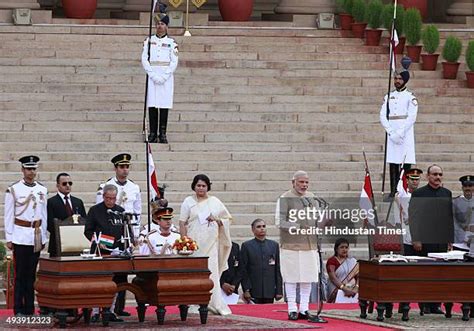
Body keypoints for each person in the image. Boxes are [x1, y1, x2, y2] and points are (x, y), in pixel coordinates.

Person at [275, 171, 326, 322]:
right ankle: (292, 309)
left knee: (307, 277)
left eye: (306, 183)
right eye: (301, 182)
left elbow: (316, 218)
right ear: (293, 182)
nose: (304, 185)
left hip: (310, 244)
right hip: (291, 244)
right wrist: (297, 226)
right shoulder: (285, 198)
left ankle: (304, 308)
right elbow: (279, 221)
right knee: (291, 277)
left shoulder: (311, 197)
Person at [179, 174, 232, 315]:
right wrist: (184, 241)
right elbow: (182, 222)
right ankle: (194, 302)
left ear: (208, 187)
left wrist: (217, 219)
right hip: (194, 244)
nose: (201, 188)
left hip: (211, 243)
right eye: (198, 185)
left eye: (203, 185)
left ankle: (214, 303)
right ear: (194, 186)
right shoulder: (188, 201)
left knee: (211, 272)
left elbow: (227, 219)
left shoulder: (215, 201)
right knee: (194, 274)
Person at [96, 153, 141, 317]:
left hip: (125, 233)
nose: (125, 170)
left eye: (127, 167)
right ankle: (104, 307)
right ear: (115, 168)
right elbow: (98, 212)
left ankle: (119, 307)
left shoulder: (134, 187)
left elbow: (137, 212)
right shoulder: (105, 186)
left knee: (123, 273)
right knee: (108, 273)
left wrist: (134, 235)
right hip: (108, 234)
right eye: (121, 167)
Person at [4, 155, 48, 316]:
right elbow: (8, 215)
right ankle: (18, 308)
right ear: (22, 170)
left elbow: (44, 215)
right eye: (28, 169)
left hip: (35, 235)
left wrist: (43, 237)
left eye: (33, 169)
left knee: (31, 274)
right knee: (20, 275)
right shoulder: (14, 189)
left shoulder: (42, 190)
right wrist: (9, 237)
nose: (31, 172)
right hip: (20, 235)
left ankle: (29, 307)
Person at [409, 164, 454, 314]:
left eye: (440, 174)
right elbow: (413, 218)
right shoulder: (419, 194)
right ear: (428, 176)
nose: (438, 177)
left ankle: (436, 304)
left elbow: (449, 217)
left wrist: (450, 239)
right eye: (434, 174)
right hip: (425, 240)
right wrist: (416, 239)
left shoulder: (446, 193)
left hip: (441, 240)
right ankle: (425, 304)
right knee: (426, 272)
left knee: (440, 273)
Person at [85, 184, 126, 322]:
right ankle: (96, 311)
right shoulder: (95, 211)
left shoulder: (120, 211)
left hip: (116, 252)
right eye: (108, 198)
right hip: (99, 251)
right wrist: (99, 241)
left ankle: (111, 310)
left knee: (116, 282)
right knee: (99, 282)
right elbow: (88, 230)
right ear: (103, 197)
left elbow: (125, 231)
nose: (111, 201)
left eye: (114, 198)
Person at [142, 10, 178, 144]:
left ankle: (162, 133)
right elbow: (144, 59)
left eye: (162, 24)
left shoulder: (172, 43)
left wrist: (164, 76)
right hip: (152, 76)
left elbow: (174, 62)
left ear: (167, 26)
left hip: (166, 77)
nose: (160, 26)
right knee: (152, 105)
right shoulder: (149, 41)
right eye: (158, 23)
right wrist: (151, 74)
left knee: (163, 105)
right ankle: (152, 133)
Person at [380, 69, 418, 196]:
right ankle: (393, 191)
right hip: (392, 131)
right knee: (393, 162)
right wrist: (390, 132)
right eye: (395, 79)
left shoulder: (410, 97)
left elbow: (412, 117)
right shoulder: (388, 96)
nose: (397, 81)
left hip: (405, 133)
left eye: (400, 79)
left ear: (405, 80)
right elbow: (382, 115)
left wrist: (400, 133)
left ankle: (404, 190)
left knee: (405, 162)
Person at [240, 219, 283, 304]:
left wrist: (279, 290)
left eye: (264, 226)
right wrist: (246, 289)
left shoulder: (273, 245)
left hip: (269, 290)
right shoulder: (247, 246)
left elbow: (277, 268)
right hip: (254, 289)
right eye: (258, 227)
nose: (262, 228)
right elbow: (244, 270)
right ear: (253, 230)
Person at [47, 173, 87, 257]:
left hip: (77, 244)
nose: (68, 186)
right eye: (64, 184)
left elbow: (84, 221)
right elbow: (49, 224)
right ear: (58, 185)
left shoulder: (78, 202)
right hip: (57, 244)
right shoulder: (51, 202)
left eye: (70, 183)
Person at [390, 168, 423, 256]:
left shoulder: (422, 195)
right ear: (407, 180)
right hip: (406, 236)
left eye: (417, 179)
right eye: (412, 179)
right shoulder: (402, 195)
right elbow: (406, 218)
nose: (415, 182)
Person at [326, 238, 359, 303]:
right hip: (336, 290)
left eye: (346, 247)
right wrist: (344, 289)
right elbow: (333, 278)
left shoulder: (352, 261)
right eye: (342, 247)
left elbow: (359, 277)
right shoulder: (332, 261)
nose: (344, 249)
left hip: (352, 290)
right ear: (336, 249)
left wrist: (356, 288)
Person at [452, 175, 473, 250]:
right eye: (465, 186)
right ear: (462, 187)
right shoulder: (455, 202)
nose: (468, 188)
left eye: (470, 186)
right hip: (459, 242)